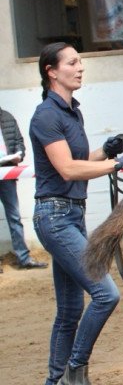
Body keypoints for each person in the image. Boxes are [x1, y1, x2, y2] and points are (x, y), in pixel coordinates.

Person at [29, 42, 123, 385]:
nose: (80, 67)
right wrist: (119, 163)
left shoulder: (72, 112)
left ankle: (54, 382)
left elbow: (79, 161)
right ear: (51, 71)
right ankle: (75, 370)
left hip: (70, 215)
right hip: (55, 217)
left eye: (80, 62)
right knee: (106, 295)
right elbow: (67, 169)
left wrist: (105, 151)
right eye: (72, 63)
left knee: (70, 311)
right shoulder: (46, 116)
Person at [0, 106, 48, 273]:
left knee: (14, 216)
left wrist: (19, 154)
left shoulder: (7, 117)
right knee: (14, 216)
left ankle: (24, 258)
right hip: (6, 172)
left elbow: (19, 141)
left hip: (7, 173)